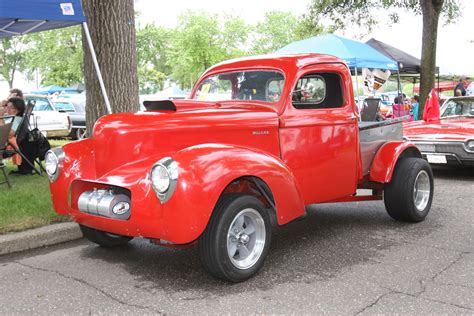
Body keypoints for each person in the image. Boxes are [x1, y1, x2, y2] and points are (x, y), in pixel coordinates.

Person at [5, 97, 37, 175]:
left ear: (18, 109)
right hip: (22, 143)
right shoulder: (16, 117)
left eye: (11, 108)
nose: (7, 110)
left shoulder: (16, 119)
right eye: (7, 107)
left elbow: (10, 135)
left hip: (9, 145)